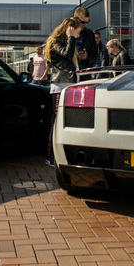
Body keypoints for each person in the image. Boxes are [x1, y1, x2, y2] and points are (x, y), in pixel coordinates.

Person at [44, 17, 82, 166]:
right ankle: (50, 155)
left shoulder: (65, 42)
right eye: (77, 32)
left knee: (67, 121)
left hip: (68, 85)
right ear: (70, 29)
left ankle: (61, 154)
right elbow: (66, 55)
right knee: (57, 121)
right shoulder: (56, 42)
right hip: (60, 85)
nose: (78, 36)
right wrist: (71, 37)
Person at [73, 7, 98, 80]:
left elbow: (95, 55)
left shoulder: (89, 34)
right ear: (75, 18)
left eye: (87, 22)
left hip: (84, 74)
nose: (85, 25)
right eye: (82, 22)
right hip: (69, 75)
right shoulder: (65, 32)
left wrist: (86, 56)